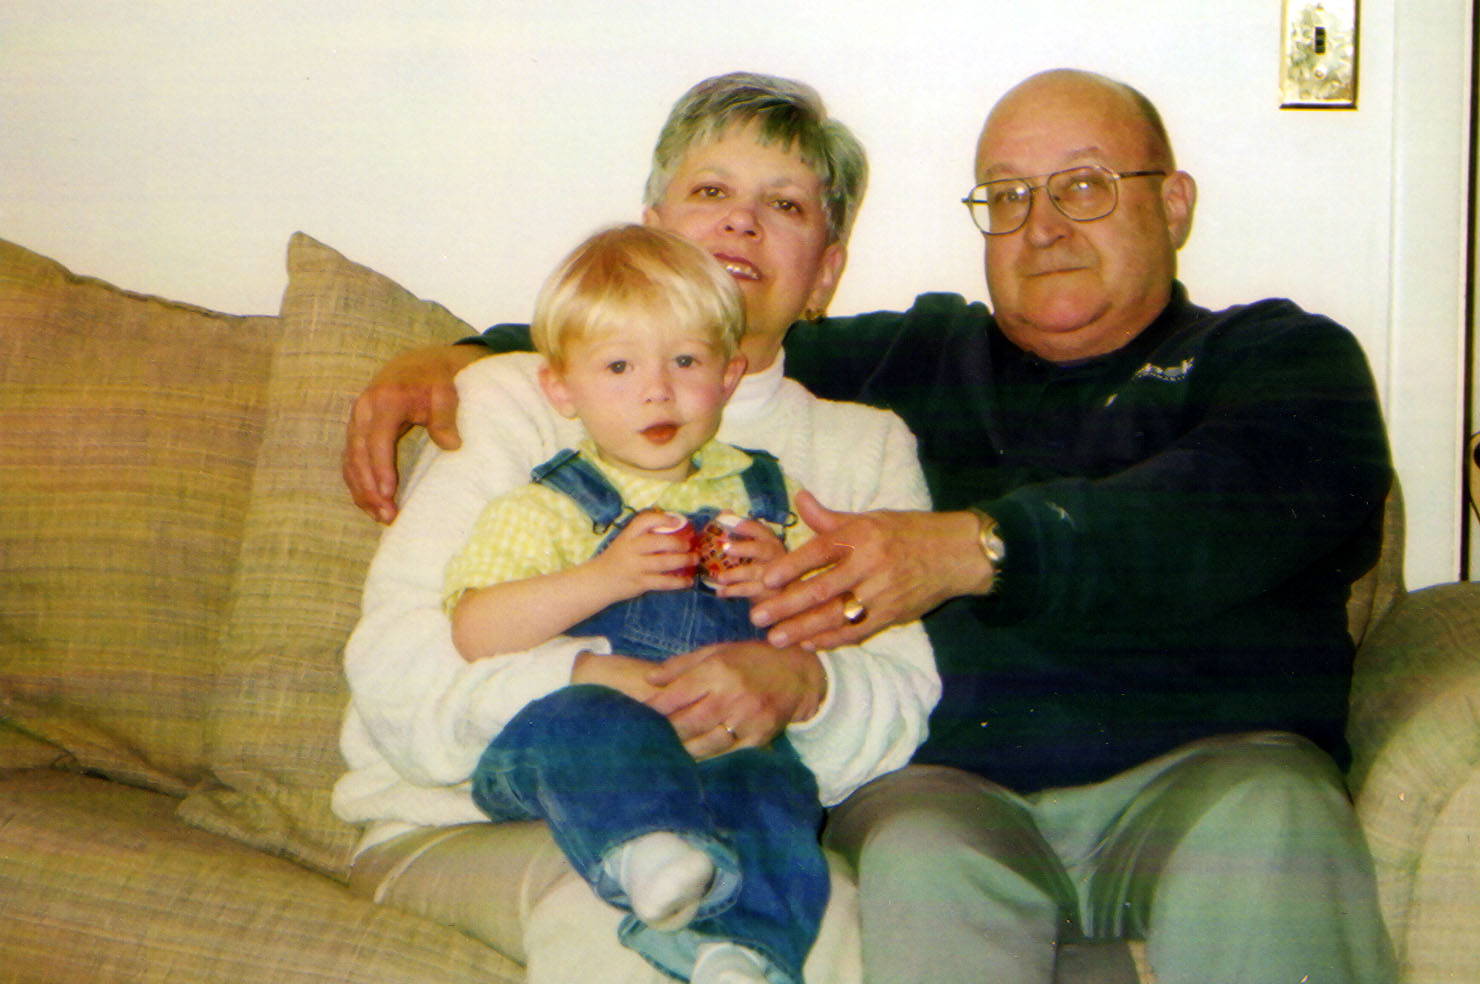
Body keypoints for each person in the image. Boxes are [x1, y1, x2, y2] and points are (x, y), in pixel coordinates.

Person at [345, 68, 1399, 984]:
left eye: (1083, 185)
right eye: (1009, 196)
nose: (1043, 224)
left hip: (1211, 773)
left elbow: (1217, 508)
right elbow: (608, 351)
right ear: (651, 227)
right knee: (892, 866)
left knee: (1270, 821)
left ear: (1172, 203)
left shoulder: (1277, 358)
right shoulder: (912, 359)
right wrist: (456, 351)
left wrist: (972, 548)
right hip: (944, 801)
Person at [333, 74, 938, 984]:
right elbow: (396, 668)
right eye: (711, 190)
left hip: (731, 815)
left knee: (828, 928)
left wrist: (801, 685)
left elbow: (899, 704)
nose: (742, 222)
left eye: (784, 204)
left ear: (825, 274)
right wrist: (595, 681)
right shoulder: (515, 396)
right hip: (464, 820)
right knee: (632, 928)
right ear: (650, 228)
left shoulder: (863, 449)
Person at [445, 224, 875, 984]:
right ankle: (641, 851)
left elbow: (841, 622)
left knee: (777, 788)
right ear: (561, 389)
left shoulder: (769, 496)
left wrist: (783, 581)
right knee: (586, 719)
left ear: (729, 376)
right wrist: (606, 578)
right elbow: (476, 631)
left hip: (718, 743)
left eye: (686, 361)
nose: (657, 390)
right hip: (573, 752)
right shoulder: (549, 505)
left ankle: (738, 953)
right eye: (619, 366)